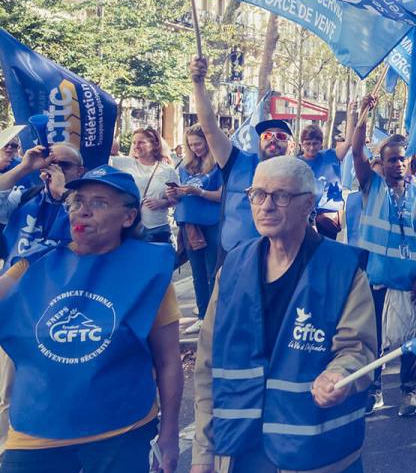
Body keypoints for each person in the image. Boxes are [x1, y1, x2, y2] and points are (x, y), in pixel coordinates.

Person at [189, 155, 376, 473]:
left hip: (319, 458)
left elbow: (359, 348)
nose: (266, 205)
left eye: (280, 196)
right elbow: (207, 365)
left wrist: (340, 374)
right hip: (244, 456)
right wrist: (202, 454)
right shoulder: (232, 268)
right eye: (257, 194)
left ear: (309, 203)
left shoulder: (343, 269)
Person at [0, 165, 181, 473]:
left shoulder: (148, 271)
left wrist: (170, 435)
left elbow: (169, 361)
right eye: (77, 201)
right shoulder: (33, 264)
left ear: (129, 216)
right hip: (37, 431)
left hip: (120, 431)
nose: (82, 210)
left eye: (99, 202)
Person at [349, 104, 416, 418]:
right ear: (380, 164)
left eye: (402, 158)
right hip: (376, 279)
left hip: (409, 281)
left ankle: (409, 394)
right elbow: (356, 152)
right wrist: (362, 117)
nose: (398, 164)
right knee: (375, 341)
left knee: (410, 341)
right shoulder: (372, 187)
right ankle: (375, 391)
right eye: (391, 159)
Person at [190, 56, 293, 264]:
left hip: (276, 261)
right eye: (267, 136)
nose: (273, 140)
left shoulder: (297, 174)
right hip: (232, 257)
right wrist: (198, 83)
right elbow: (209, 127)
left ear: (290, 145)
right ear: (258, 141)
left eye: (280, 136)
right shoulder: (236, 160)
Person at [170, 125, 224, 320]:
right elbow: (180, 196)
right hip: (189, 223)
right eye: (191, 145)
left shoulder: (219, 164)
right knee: (198, 274)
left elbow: (222, 196)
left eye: (198, 144)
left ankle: (213, 317)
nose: (195, 148)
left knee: (212, 272)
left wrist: (199, 192)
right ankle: (202, 317)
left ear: (208, 141)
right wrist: (174, 193)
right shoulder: (185, 166)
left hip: (211, 223)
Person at [0, 143, 84, 262]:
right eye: (51, 164)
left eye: (64, 164)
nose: (57, 169)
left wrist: (62, 192)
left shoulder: (89, 203)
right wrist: (24, 167)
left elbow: (99, 228)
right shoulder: (25, 197)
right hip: (15, 277)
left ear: (79, 171)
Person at [110, 127, 181, 245]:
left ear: (154, 145)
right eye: (134, 143)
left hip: (157, 228)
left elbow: (177, 199)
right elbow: (101, 158)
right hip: (131, 227)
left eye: (141, 142)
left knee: (158, 263)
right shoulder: (125, 163)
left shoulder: (168, 171)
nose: (136, 146)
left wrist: (162, 202)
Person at [297, 124, 350, 239]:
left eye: (315, 143)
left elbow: (349, 142)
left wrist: (351, 115)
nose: (311, 147)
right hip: (305, 216)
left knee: (326, 252)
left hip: (328, 217)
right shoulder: (296, 164)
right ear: (301, 144)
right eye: (308, 143)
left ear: (321, 143)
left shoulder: (331, 155)